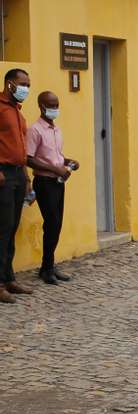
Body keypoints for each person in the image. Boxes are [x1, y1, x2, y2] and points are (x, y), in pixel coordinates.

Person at [26, 91, 79, 285]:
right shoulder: (35, 130)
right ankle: (46, 269)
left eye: (57, 105)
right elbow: (29, 158)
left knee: (56, 225)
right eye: (51, 105)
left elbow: (55, 155)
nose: (55, 109)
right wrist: (55, 169)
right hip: (45, 182)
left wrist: (68, 161)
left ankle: (49, 265)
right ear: (41, 106)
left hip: (58, 182)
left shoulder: (56, 130)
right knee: (51, 223)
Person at [0, 68, 33, 304]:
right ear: (9, 84)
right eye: (23, 84)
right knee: (2, 229)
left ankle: (8, 277)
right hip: (3, 176)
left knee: (12, 228)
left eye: (28, 85)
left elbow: (21, 148)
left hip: (18, 175)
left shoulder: (18, 112)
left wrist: (27, 178)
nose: (26, 89)